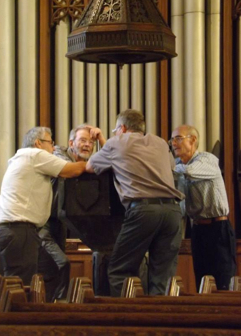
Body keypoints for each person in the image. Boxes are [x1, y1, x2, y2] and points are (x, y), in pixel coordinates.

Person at [86, 109, 184, 296]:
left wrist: (103, 141)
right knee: (163, 277)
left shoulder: (116, 142)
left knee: (119, 271)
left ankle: (127, 321)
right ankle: (159, 322)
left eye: (116, 130)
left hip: (143, 211)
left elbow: (90, 166)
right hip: (172, 211)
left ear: (122, 128)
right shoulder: (161, 142)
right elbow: (171, 167)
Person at [0, 126, 86, 285]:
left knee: (38, 274)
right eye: (51, 143)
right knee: (20, 284)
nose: (54, 148)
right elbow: (73, 170)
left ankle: (37, 308)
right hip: (19, 229)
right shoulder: (35, 155)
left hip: (13, 230)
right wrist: (99, 160)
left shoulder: (23, 157)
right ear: (38, 143)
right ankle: (18, 310)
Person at [38, 124, 106, 301]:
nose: (87, 145)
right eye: (82, 140)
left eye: (91, 142)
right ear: (71, 142)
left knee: (57, 270)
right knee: (61, 265)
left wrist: (102, 141)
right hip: (43, 222)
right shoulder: (58, 155)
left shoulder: (81, 163)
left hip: (60, 224)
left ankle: (56, 309)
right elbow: (70, 166)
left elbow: (110, 162)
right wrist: (89, 164)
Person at [170, 124, 236, 291]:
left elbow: (190, 171)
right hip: (197, 230)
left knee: (222, 282)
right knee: (202, 282)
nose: (173, 143)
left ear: (193, 140)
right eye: (172, 140)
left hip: (218, 229)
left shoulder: (207, 159)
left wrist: (166, 168)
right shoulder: (178, 166)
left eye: (178, 138)